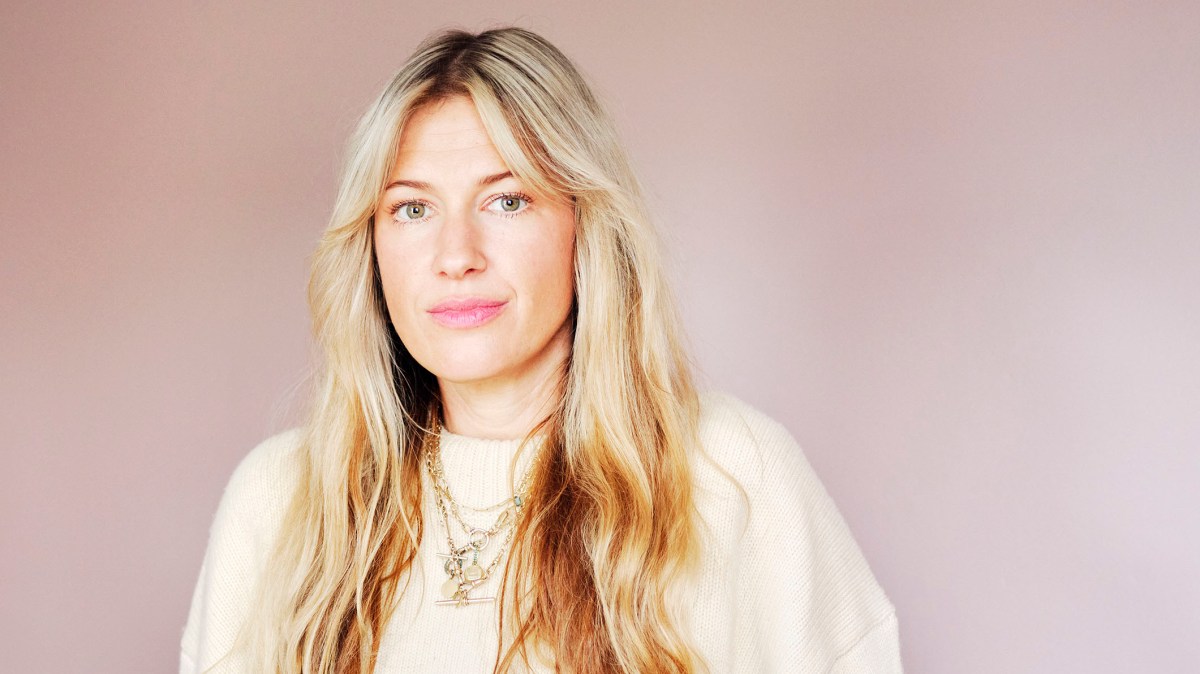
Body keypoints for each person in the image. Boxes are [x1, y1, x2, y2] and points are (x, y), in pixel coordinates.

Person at [180, 27, 901, 674]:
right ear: (371, 247)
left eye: (508, 200)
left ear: (584, 227)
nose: (456, 255)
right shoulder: (278, 502)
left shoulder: (732, 475)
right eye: (412, 208)